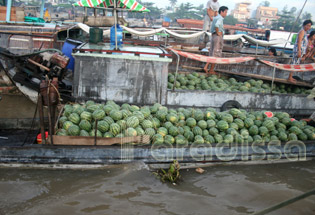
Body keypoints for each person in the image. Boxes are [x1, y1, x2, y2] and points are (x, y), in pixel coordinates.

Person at [204, 6, 228, 74]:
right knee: (216, 53)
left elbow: (212, 27)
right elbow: (217, 26)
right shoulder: (220, 18)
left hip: (213, 36)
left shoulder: (215, 18)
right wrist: (218, 32)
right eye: (225, 12)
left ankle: (211, 69)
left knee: (212, 52)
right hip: (217, 37)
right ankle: (208, 68)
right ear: (222, 12)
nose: (226, 14)